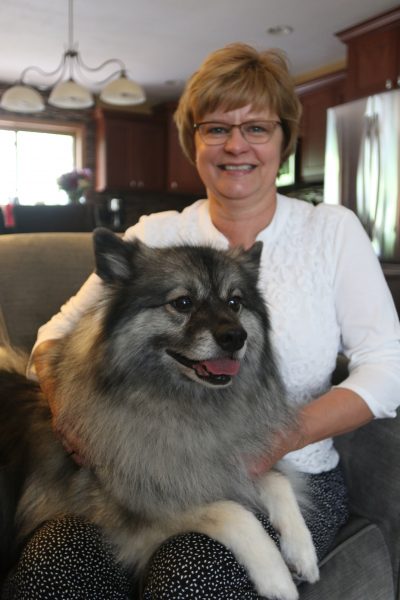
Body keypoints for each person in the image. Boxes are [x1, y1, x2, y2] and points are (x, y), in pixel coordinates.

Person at [4, 42, 400, 599]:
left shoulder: (330, 232)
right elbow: (53, 336)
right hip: (141, 474)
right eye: (216, 128)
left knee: (189, 575)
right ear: (193, 143)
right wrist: (69, 416)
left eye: (257, 128)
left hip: (288, 473)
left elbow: (387, 366)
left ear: (285, 140)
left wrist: (281, 437)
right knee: (53, 564)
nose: (236, 145)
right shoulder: (156, 234)